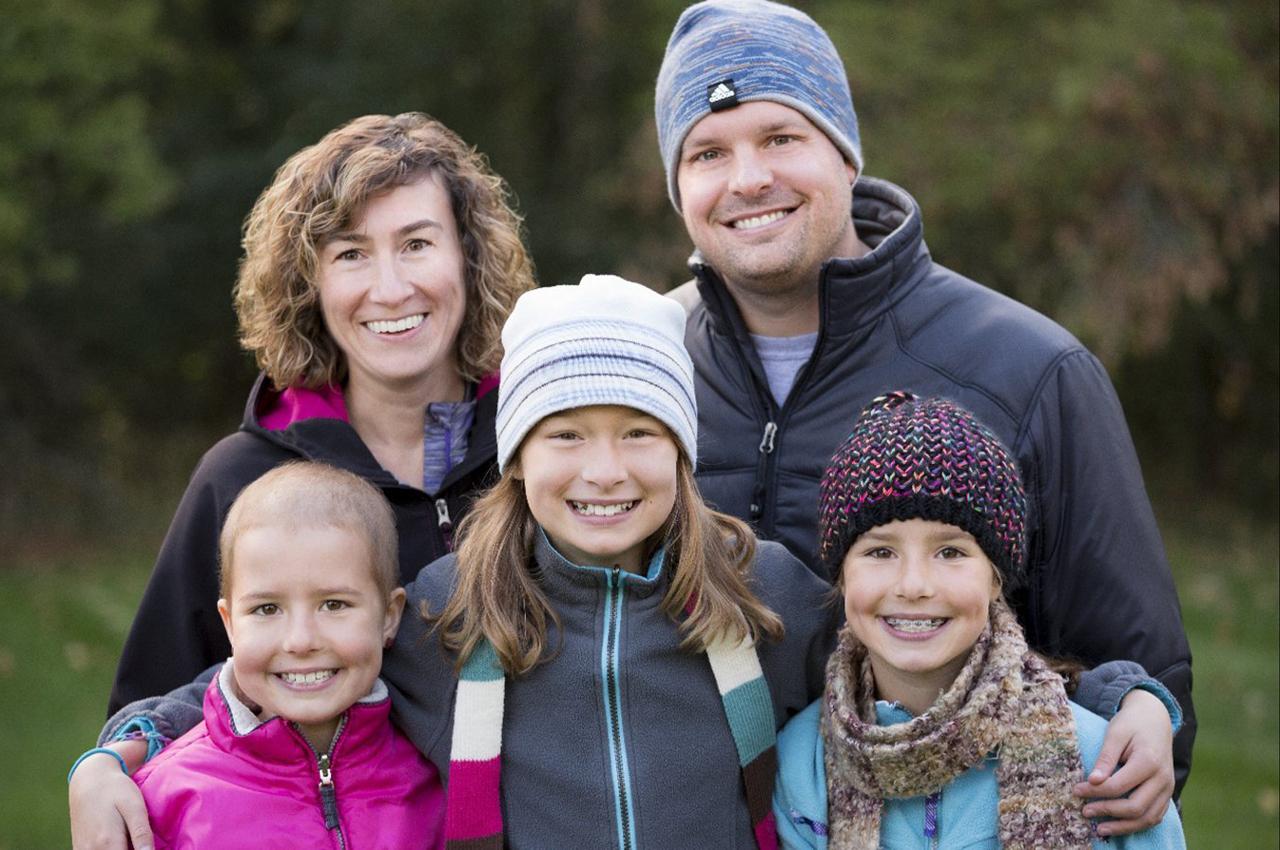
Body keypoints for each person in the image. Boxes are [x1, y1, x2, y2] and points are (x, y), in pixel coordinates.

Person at [654, 0, 1195, 811]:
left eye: (780, 138)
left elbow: (1138, 678)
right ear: (679, 186)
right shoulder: (640, 376)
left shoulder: (1030, 371)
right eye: (707, 152)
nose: (748, 179)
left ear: (843, 155)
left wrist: (1140, 717)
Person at [73, 275, 836, 849]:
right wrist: (115, 754)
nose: (605, 471)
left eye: (639, 434)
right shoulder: (449, 613)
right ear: (515, 457)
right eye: (565, 436)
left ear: (681, 452)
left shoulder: (763, 592)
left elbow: (882, 678)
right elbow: (287, 663)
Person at [108, 112, 534, 716]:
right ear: (310, 283)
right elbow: (149, 723)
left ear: (467, 258)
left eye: (416, 244)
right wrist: (110, 760)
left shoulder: (544, 453)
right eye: (352, 254)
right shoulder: (241, 482)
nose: (389, 289)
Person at [772, 392, 1186, 849]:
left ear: (995, 579)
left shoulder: (1104, 763)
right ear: (843, 577)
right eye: (880, 552)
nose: (913, 585)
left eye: (950, 552)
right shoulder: (802, 764)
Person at [117, 462, 442, 847]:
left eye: (334, 604)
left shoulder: (436, 777)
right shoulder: (164, 800)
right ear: (230, 625)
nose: (300, 641)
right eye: (267, 609)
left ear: (389, 617)